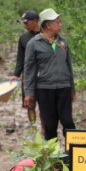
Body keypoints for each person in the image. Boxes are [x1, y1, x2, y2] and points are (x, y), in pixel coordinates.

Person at [23, 8, 76, 140]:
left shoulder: (62, 41)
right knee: (50, 125)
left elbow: (68, 66)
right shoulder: (34, 44)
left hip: (64, 87)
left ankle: (72, 153)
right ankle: (53, 157)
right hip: (45, 89)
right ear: (47, 25)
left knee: (68, 122)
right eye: (57, 22)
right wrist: (28, 93)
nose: (60, 24)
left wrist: (72, 88)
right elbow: (29, 70)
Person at [11, 10, 40, 125]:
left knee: (45, 104)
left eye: (27, 23)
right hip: (28, 75)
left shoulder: (46, 35)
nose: (25, 25)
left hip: (44, 74)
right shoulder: (23, 38)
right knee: (29, 103)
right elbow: (20, 58)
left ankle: (44, 128)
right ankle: (33, 126)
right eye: (24, 23)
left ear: (35, 21)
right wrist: (16, 74)